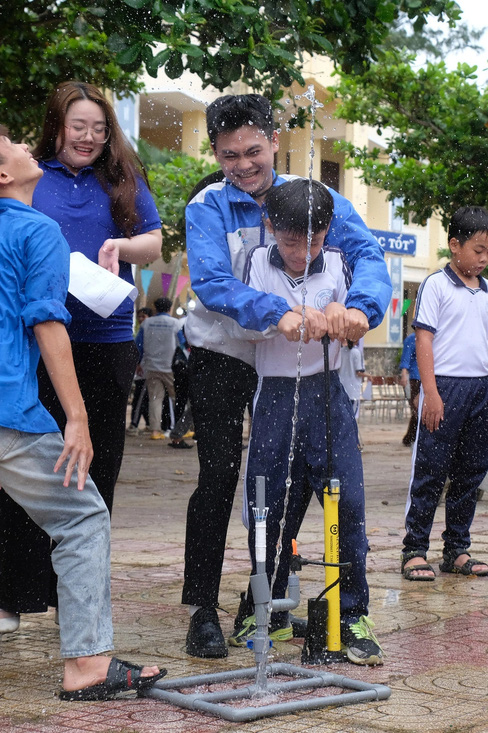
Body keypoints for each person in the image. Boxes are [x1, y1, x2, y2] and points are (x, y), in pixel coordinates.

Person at [0, 124, 163, 697]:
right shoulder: (38, 229)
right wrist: (77, 415)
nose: (26, 145)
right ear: (1, 174)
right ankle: (89, 665)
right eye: (14, 145)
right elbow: (48, 322)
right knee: (82, 516)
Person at [181, 93, 390, 658]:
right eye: (229, 156)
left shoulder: (315, 201)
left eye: (253, 151)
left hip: (309, 374)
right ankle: (204, 607)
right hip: (227, 356)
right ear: (216, 153)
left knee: (313, 487)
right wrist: (278, 315)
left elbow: (368, 257)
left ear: (275, 140)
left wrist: (361, 310)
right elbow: (213, 284)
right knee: (227, 480)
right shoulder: (207, 207)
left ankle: (296, 606)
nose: (243, 165)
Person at [0, 81, 162, 635]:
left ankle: (77, 596)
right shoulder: (30, 175)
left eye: (98, 128)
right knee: (27, 463)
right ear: (56, 126)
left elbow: (154, 242)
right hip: (37, 341)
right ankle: (12, 593)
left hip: (108, 340)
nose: (87, 137)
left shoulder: (123, 182)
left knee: (97, 469)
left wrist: (120, 248)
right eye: (77, 125)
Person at [229, 179, 382, 664]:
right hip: (274, 397)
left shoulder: (340, 261)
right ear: (271, 228)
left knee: (348, 503)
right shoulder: (254, 261)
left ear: (328, 231)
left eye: (312, 241)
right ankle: (261, 608)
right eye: (291, 241)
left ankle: (352, 612)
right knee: (266, 504)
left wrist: (347, 313)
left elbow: (362, 312)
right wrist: (282, 316)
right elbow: (240, 321)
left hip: (327, 396)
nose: (301, 252)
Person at [400, 206, 488, 583]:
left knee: (471, 472)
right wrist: (429, 392)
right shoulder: (436, 285)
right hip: (444, 386)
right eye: (477, 250)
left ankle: (456, 548)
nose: (483, 259)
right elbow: (423, 339)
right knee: (431, 470)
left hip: (480, 388)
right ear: (454, 245)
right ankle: (414, 549)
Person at [136, 297, 182, 440]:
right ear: (170, 308)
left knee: (155, 399)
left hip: (151, 366)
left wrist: (138, 363)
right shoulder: (175, 323)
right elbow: (183, 343)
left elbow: (138, 345)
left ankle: (155, 431)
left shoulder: (147, 324)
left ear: (155, 308)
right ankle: (179, 429)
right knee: (177, 398)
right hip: (171, 367)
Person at [129, 306, 155, 432]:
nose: (141, 319)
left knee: (140, 397)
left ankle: (134, 424)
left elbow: (138, 348)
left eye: (143, 316)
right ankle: (150, 424)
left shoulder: (144, 329)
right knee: (145, 397)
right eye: (139, 316)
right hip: (156, 368)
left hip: (144, 368)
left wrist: (137, 363)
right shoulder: (151, 329)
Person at [398, 330, 420, 446]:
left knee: (421, 409)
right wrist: (404, 375)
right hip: (415, 378)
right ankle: (410, 438)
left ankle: (414, 437)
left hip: (425, 377)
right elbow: (405, 359)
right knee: (416, 409)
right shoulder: (412, 339)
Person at [338, 339, 367, 421]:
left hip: (342, 388)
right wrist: (369, 376)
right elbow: (359, 372)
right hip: (353, 389)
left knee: (343, 418)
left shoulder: (340, 352)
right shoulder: (357, 352)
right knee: (351, 417)